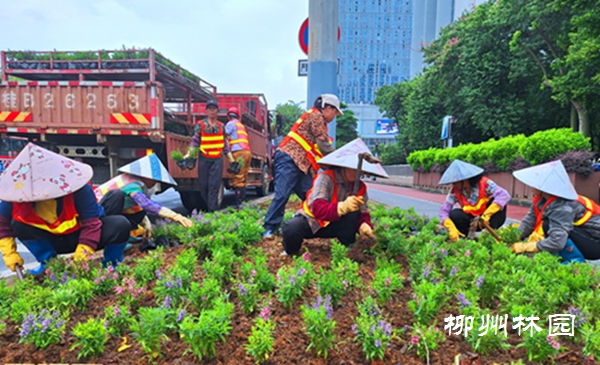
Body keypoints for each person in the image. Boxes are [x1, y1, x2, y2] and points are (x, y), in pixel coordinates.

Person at [0, 143, 131, 274]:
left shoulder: (79, 189)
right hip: (51, 241)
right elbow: (2, 224)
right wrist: (9, 253)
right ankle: (48, 265)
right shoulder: (17, 194)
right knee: (18, 224)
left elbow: (91, 225)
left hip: (79, 236)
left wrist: (82, 255)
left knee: (120, 224)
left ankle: (111, 267)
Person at [281, 138, 388, 255]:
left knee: (353, 214)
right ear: (344, 166)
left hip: (336, 225)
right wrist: (342, 207)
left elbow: (363, 213)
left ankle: (348, 247)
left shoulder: (360, 187)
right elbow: (318, 209)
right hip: (312, 222)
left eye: (360, 170)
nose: (358, 172)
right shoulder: (326, 178)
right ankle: (291, 252)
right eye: (354, 168)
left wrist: (364, 225)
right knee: (291, 228)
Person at [262, 94, 342, 239]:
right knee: (282, 194)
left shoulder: (318, 121)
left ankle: (303, 225)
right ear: (328, 108)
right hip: (288, 158)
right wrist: (341, 162)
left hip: (302, 165)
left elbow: (318, 153)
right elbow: (324, 147)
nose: (333, 117)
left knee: (311, 195)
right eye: (334, 113)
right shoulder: (317, 116)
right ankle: (270, 228)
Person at [511, 160, 600, 263]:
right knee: (550, 226)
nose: (531, 187)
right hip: (583, 236)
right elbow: (530, 220)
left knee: (549, 226)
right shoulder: (542, 199)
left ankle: (575, 263)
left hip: (595, 244)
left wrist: (527, 247)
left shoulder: (562, 207)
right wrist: (515, 237)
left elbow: (557, 242)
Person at [94, 153, 193, 240]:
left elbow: (140, 206)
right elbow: (146, 204)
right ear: (145, 176)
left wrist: (145, 222)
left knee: (140, 213)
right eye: (153, 180)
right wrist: (175, 216)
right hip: (98, 210)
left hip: (114, 209)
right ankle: (109, 234)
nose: (154, 183)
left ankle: (125, 235)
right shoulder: (131, 183)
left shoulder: (140, 184)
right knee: (119, 197)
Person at [438, 160, 510, 241]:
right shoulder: (455, 191)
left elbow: (504, 195)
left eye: (455, 182)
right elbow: (443, 211)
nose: (453, 184)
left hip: (488, 220)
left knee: (498, 204)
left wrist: (487, 215)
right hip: (471, 220)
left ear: (465, 180)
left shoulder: (485, 183)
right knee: (454, 214)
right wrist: (451, 228)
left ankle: (488, 236)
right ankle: (466, 239)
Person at [185, 99, 234, 212]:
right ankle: (210, 208)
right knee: (204, 187)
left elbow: (225, 145)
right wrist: (188, 155)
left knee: (214, 187)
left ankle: (212, 212)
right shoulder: (200, 125)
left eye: (214, 109)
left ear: (217, 111)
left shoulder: (222, 126)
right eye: (210, 109)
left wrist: (231, 160)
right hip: (204, 160)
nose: (212, 111)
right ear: (206, 111)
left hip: (217, 160)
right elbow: (195, 142)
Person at [224, 107, 252, 209]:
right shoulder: (241, 125)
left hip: (238, 151)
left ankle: (238, 203)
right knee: (243, 177)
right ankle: (242, 202)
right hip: (247, 152)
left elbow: (224, 136)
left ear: (229, 116)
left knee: (238, 177)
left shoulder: (230, 124)